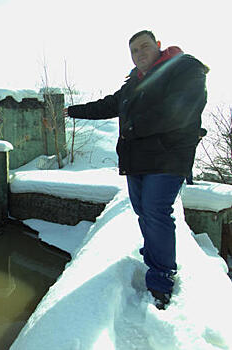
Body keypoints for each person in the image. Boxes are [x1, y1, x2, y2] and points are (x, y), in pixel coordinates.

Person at [64, 30, 208, 309]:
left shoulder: (185, 68)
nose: (140, 54)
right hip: (138, 159)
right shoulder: (134, 83)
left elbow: (180, 109)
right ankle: (154, 254)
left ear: (158, 46)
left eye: (144, 47)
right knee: (143, 210)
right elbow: (109, 104)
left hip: (168, 157)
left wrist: (132, 127)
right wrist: (73, 111)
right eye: (134, 51)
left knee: (156, 210)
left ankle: (162, 277)